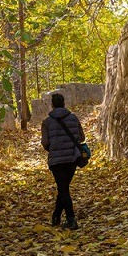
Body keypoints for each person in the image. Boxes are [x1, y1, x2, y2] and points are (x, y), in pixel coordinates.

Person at [41, 93, 84, 230]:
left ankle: (71, 219)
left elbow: (45, 143)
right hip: (72, 158)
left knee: (63, 188)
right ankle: (56, 216)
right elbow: (81, 138)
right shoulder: (73, 118)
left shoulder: (47, 122)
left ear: (52, 105)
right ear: (64, 104)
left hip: (56, 161)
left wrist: (54, 148)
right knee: (63, 188)